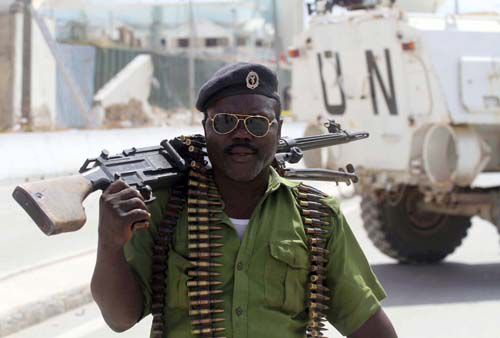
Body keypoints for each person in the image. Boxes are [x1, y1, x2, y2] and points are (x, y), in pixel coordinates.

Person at [91, 62, 398, 338]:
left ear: (277, 133)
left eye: (257, 123)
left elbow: (369, 325)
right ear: (205, 129)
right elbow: (120, 319)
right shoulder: (163, 208)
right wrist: (109, 244)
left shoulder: (316, 216)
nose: (241, 134)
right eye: (225, 122)